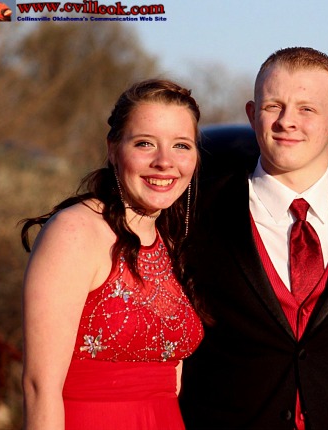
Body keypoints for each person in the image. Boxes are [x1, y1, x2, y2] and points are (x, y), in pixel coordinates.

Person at [178, 47, 328, 430]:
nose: (287, 121)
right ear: (252, 114)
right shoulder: (193, 214)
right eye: (273, 106)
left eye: (307, 109)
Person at [20, 79, 204, 430]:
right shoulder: (75, 231)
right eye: (145, 143)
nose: (165, 162)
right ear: (113, 149)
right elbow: (39, 388)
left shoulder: (169, 241)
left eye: (181, 145)